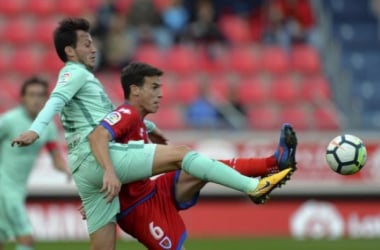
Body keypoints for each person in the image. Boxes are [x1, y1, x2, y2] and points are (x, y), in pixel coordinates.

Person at [11, 18, 296, 250]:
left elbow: (108, 119)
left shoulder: (95, 88)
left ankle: (270, 164)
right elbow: (59, 102)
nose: (94, 48)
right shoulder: (74, 73)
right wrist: (35, 131)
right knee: (183, 155)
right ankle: (252, 187)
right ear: (70, 51)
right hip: (98, 160)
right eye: (86, 44)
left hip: (83, 168)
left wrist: (147, 128)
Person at [84, 62, 298, 249]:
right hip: (138, 210)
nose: (161, 94)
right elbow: (97, 138)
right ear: (135, 90)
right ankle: (261, 178)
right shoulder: (126, 113)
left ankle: (273, 163)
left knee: (202, 167)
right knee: (191, 161)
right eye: (154, 87)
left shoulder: (137, 120)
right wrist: (97, 189)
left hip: (152, 191)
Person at [0, 76, 70, 250]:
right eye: (31, 94)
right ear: (22, 98)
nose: (36, 99)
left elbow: (56, 158)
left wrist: (69, 170)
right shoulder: (9, 120)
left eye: (40, 95)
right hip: (4, 186)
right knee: (26, 237)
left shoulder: (48, 126)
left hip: (19, 188)